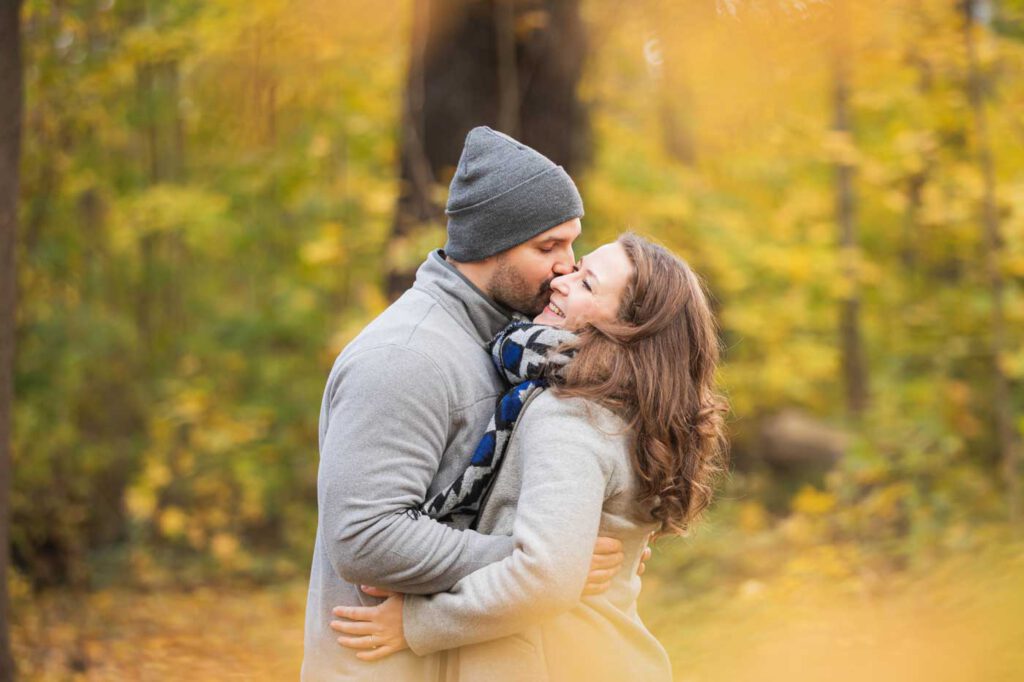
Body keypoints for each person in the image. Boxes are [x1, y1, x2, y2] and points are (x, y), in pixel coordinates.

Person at [302, 127, 644, 681]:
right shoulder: (405, 357)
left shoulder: (517, 348)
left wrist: (589, 536)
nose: (567, 265)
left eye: (571, 244)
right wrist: (550, 561)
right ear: (491, 244)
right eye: (548, 247)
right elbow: (364, 538)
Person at [330, 233, 730, 682]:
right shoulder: (623, 406)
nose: (562, 279)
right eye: (578, 269)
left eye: (587, 284)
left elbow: (545, 578)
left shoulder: (571, 416)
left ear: (627, 328)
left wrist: (417, 623)